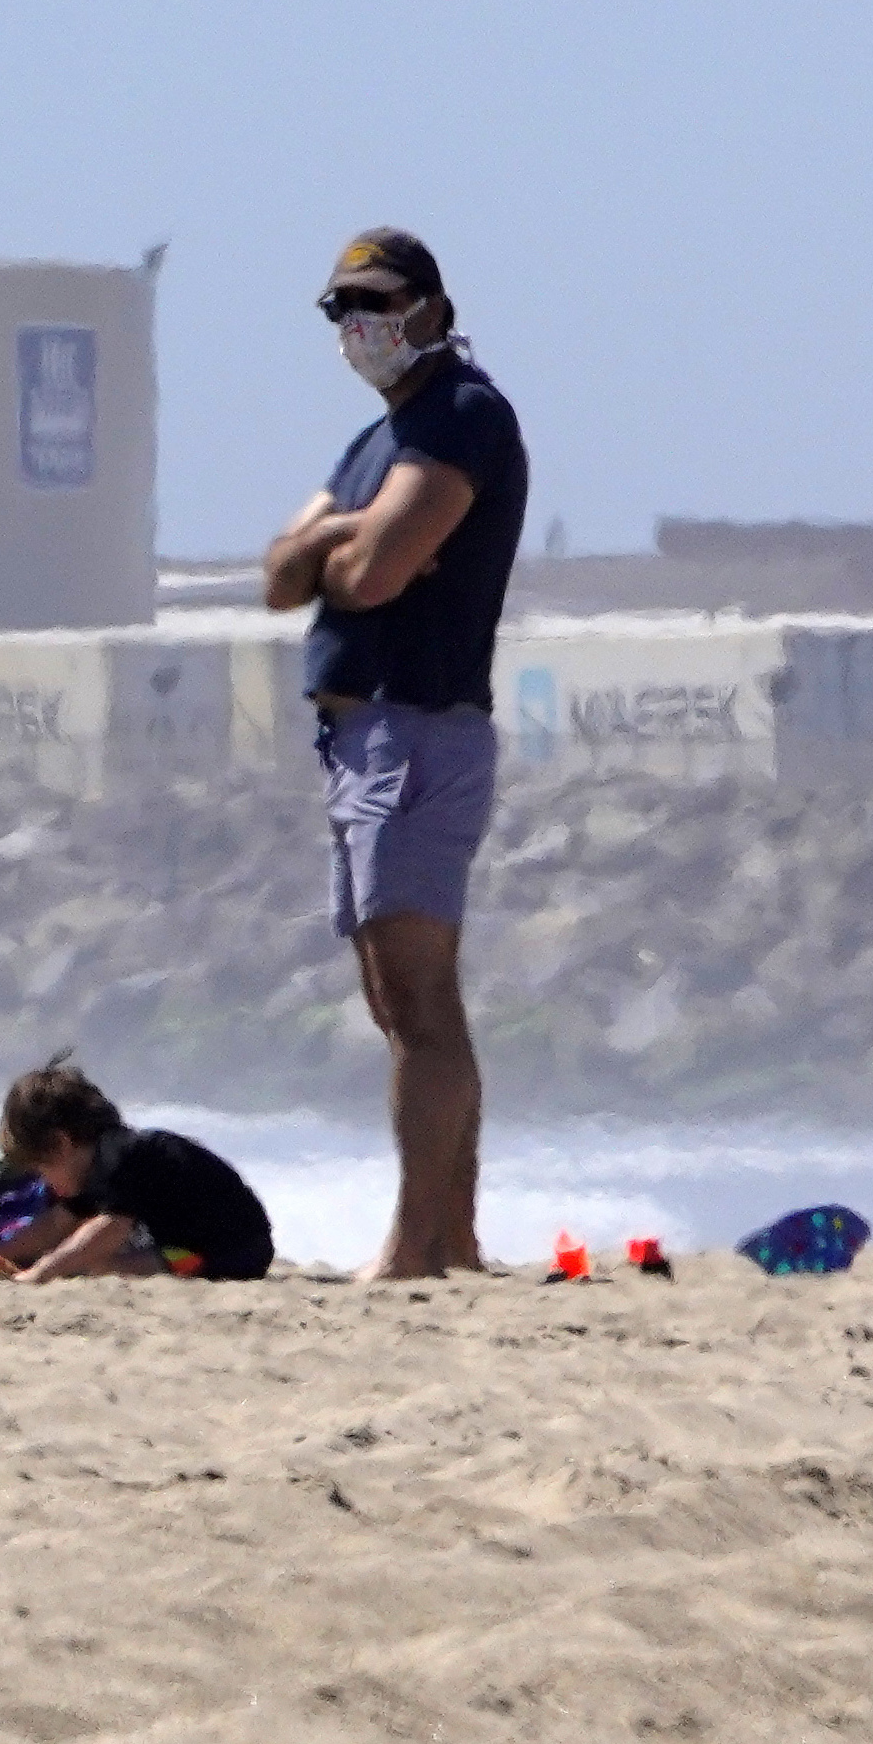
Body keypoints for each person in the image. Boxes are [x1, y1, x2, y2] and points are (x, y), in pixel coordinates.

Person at [261, 230, 527, 1280]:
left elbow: (371, 576)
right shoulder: (379, 440)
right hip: (361, 732)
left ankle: (418, 1244)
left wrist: (352, 545)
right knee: (399, 996)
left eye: (373, 302)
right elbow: (285, 574)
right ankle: (450, 1234)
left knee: (416, 996)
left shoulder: (462, 414)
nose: (355, 324)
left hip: (414, 723)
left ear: (428, 307)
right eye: (340, 307)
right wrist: (351, 539)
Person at [0, 1058, 275, 1282]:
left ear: (61, 1143)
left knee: (96, 1264)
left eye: (43, 1169)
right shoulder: (96, 1166)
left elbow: (107, 1228)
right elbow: (56, 1223)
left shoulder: (121, 1155)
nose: (46, 1181)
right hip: (195, 1245)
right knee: (84, 1260)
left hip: (232, 1251)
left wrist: (38, 1274)